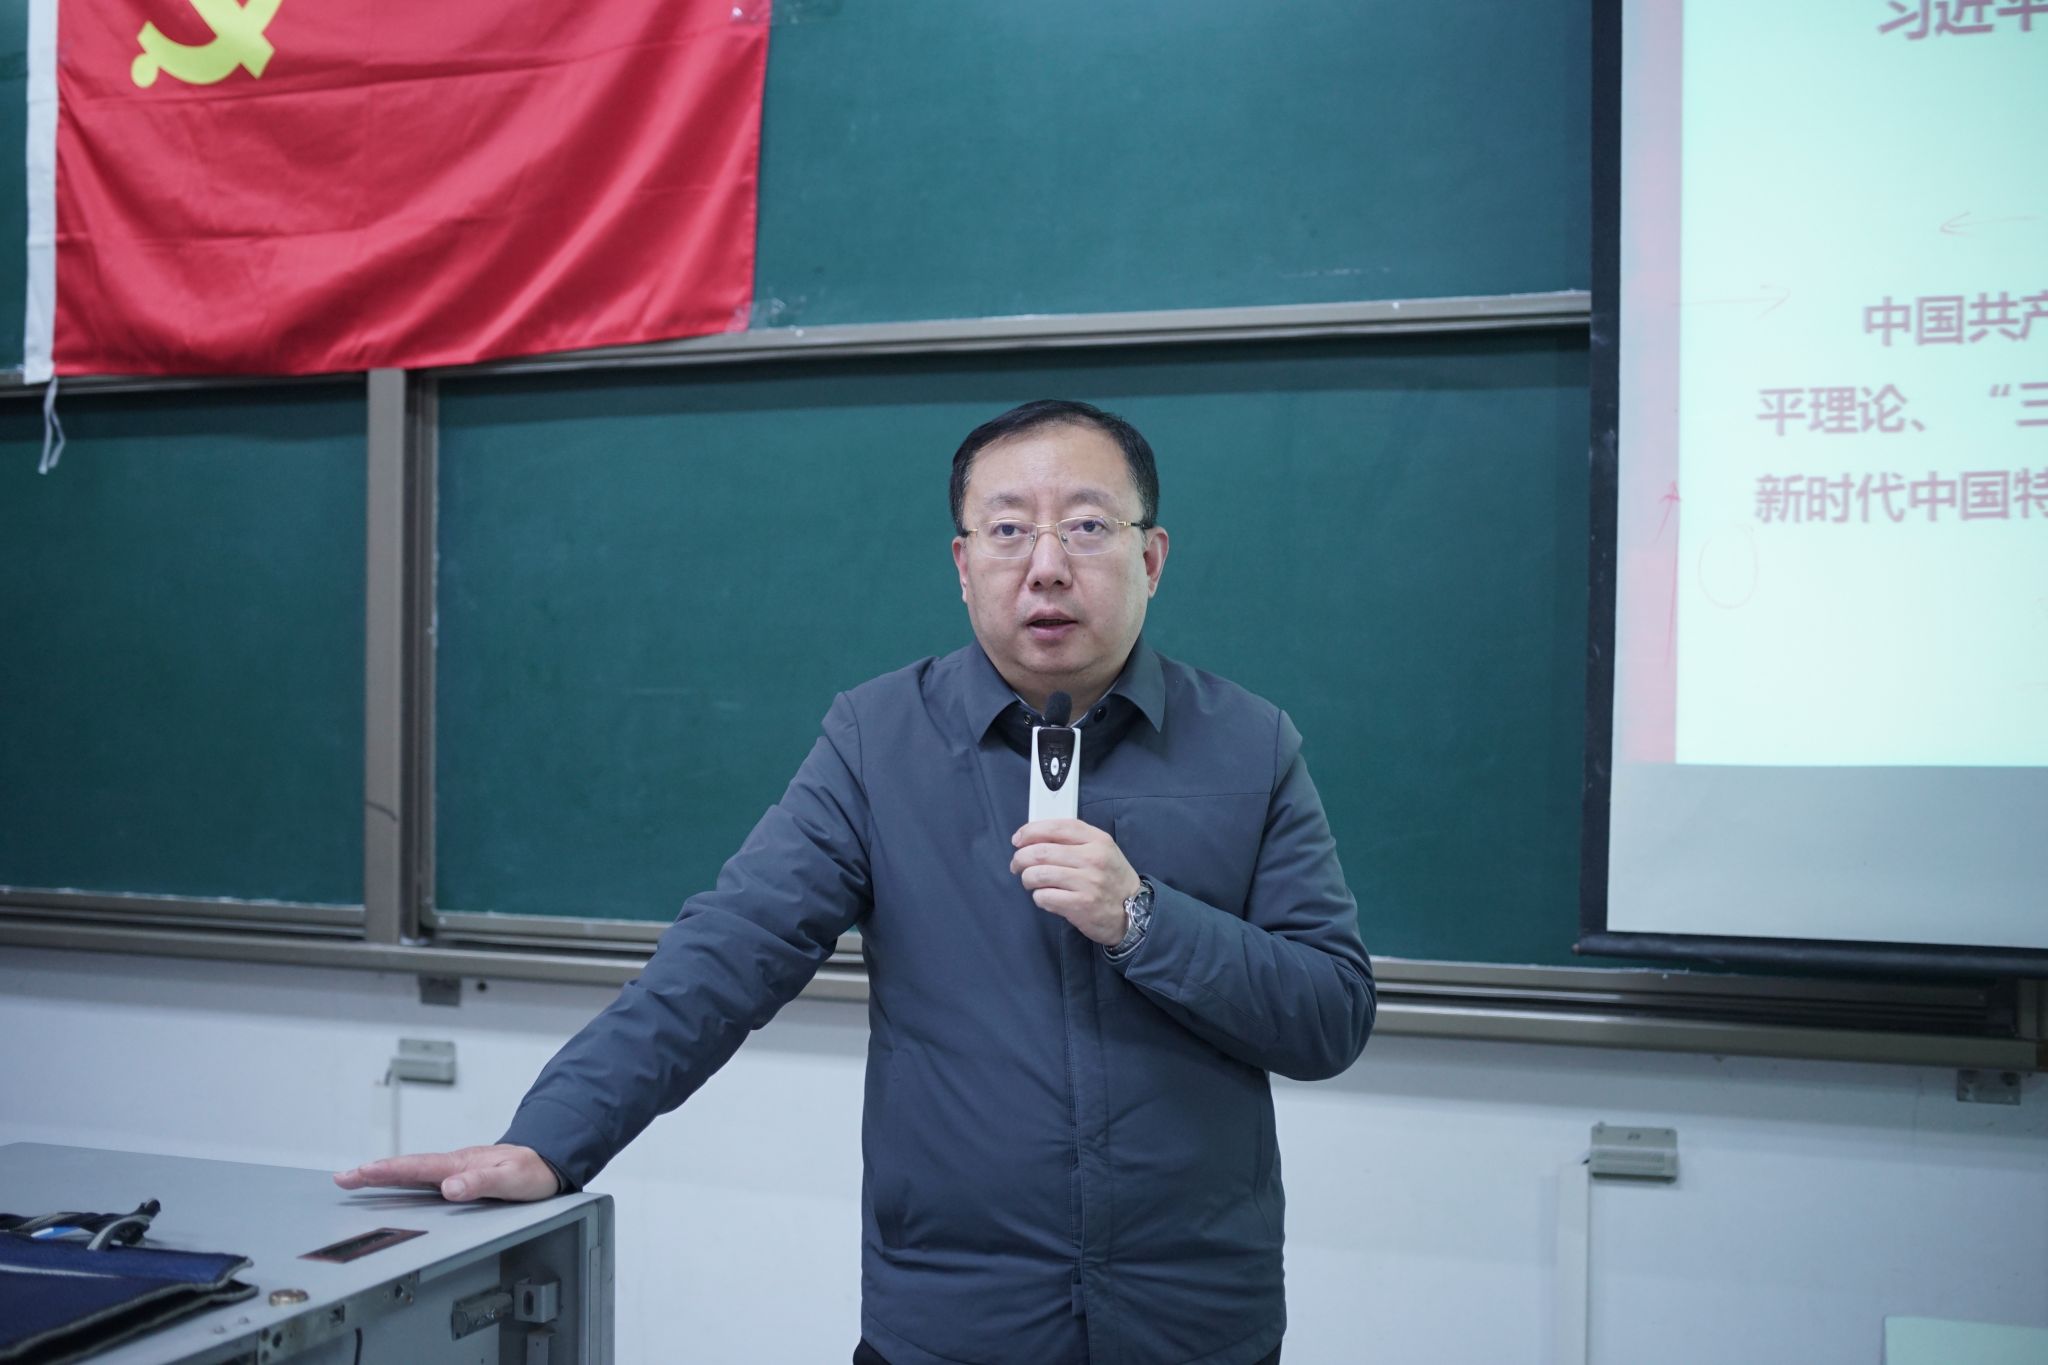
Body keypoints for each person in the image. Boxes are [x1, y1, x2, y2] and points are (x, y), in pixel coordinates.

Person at [336, 399, 1375, 1365]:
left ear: (1151, 557)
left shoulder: (1250, 746)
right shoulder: (878, 742)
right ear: (962, 563)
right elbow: (728, 953)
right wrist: (550, 1141)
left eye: (1088, 527)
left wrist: (1143, 920)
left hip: (1195, 1323)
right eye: (1008, 530)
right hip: (951, 1323)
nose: (1047, 566)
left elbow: (1328, 1013)